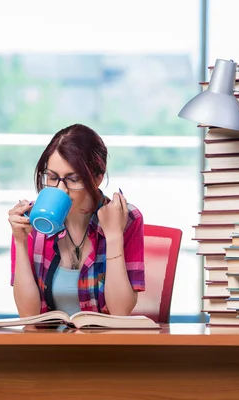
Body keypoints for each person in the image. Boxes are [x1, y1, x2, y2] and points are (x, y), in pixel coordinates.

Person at [8, 123, 145, 318]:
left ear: (97, 178)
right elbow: (28, 316)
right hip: (49, 344)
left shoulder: (127, 218)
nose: (61, 189)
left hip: (105, 344)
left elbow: (120, 312)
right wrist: (20, 241)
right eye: (52, 177)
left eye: (73, 179)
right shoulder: (32, 219)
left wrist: (114, 236)